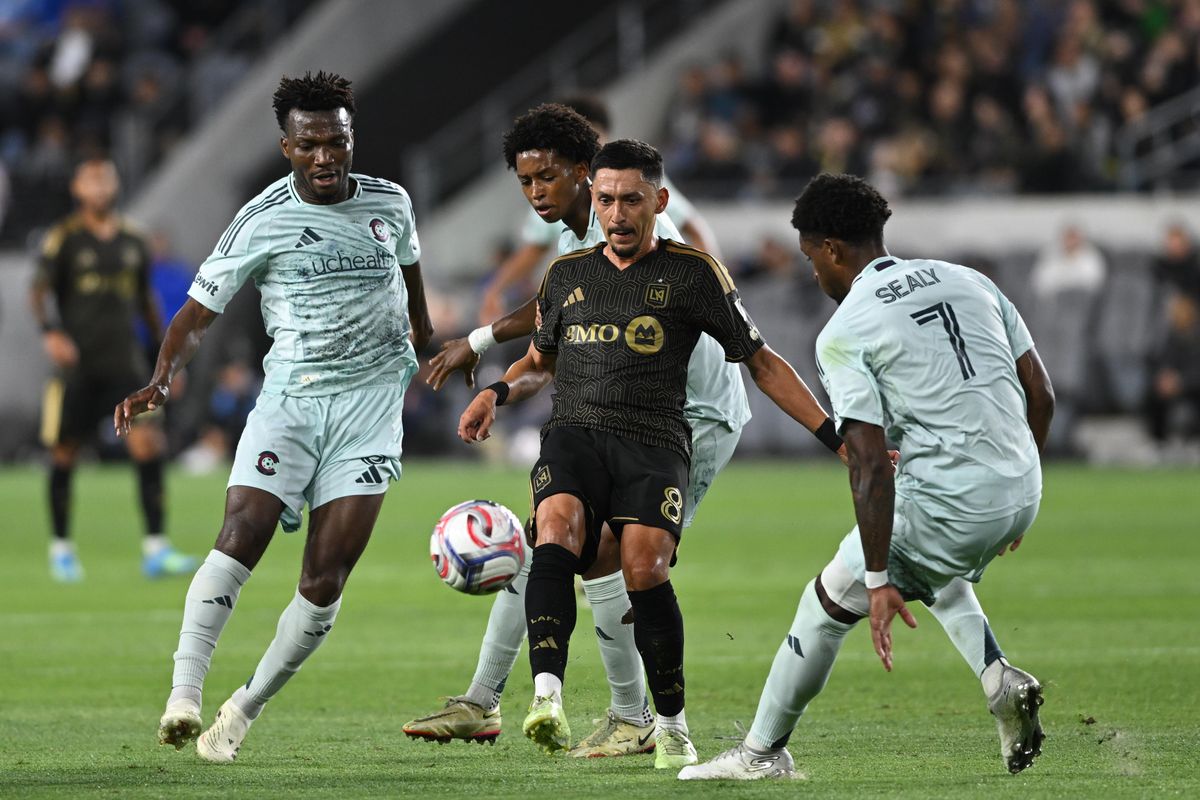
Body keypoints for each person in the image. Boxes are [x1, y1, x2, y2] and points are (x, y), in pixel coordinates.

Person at [456, 140, 847, 769]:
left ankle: (669, 725)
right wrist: (497, 392)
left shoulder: (694, 273)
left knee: (643, 569)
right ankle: (547, 697)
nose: (616, 213)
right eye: (606, 199)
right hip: (575, 434)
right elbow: (539, 364)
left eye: (631, 200)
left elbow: (764, 363)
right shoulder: (568, 273)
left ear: (658, 202)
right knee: (552, 533)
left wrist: (835, 437)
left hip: (656, 438)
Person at [404, 104, 755, 760]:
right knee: (553, 546)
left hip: (693, 414)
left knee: (616, 559)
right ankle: (500, 704)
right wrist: (497, 375)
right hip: (616, 413)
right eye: (526, 182)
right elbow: (556, 313)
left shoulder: (632, 219)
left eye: (548, 178)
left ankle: (629, 716)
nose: (537, 192)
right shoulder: (578, 241)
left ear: (585, 173)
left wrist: (476, 341)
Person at [679, 173, 1055, 781]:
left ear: (831, 249)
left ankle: (759, 755)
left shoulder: (846, 329)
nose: (813, 274)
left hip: (955, 500)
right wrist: (1017, 484)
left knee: (826, 603)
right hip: (1022, 485)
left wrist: (876, 580)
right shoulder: (969, 280)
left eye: (809, 258)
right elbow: (1041, 393)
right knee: (930, 557)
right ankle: (998, 679)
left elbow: (872, 465)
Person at [113, 71, 432, 764]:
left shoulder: (391, 202)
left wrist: (433, 350)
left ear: (352, 140)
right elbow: (197, 316)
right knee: (241, 532)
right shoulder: (262, 217)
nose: (325, 157)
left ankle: (242, 710)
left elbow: (412, 290)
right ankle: (184, 696)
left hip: (370, 410)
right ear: (287, 147)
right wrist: (160, 380)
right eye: (310, 144)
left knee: (323, 582)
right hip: (290, 403)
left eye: (337, 142)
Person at [30, 157, 196, 583]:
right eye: (92, 179)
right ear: (77, 187)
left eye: (106, 178)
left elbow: (147, 302)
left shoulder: (134, 240)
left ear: (116, 184)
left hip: (126, 364)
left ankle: (156, 549)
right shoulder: (64, 240)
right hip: (78, 367)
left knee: (149, 445)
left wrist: (167, 361)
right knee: (65, 451)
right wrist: (51, 332)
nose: (101, 186)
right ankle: (62, 549)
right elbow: (39, 290)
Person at [476, 95, 720, 325]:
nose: (536, 191)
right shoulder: (560, 203)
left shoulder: (636, 183)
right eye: (527, 182)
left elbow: (695, 228)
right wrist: (494, 292)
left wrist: (717, 292)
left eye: (595, 137)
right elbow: (534, 250)